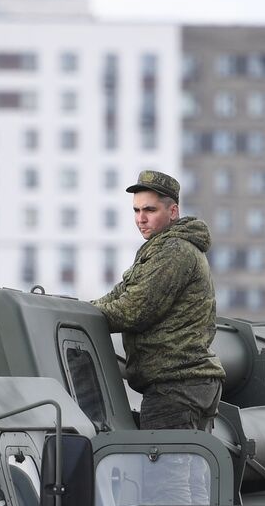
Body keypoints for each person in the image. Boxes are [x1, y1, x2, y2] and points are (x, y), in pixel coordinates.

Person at [93, 170, 225, 432]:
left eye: (149, 210)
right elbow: (120, 294)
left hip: (176, 387)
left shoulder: (174, 251)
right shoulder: (160, 249)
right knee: (183, 472)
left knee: (165, 473)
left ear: (172, 211)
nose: (141, 219)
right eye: (136, 210)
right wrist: (79, 309)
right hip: (182, 385)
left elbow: (133, 310)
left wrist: (80, 317)